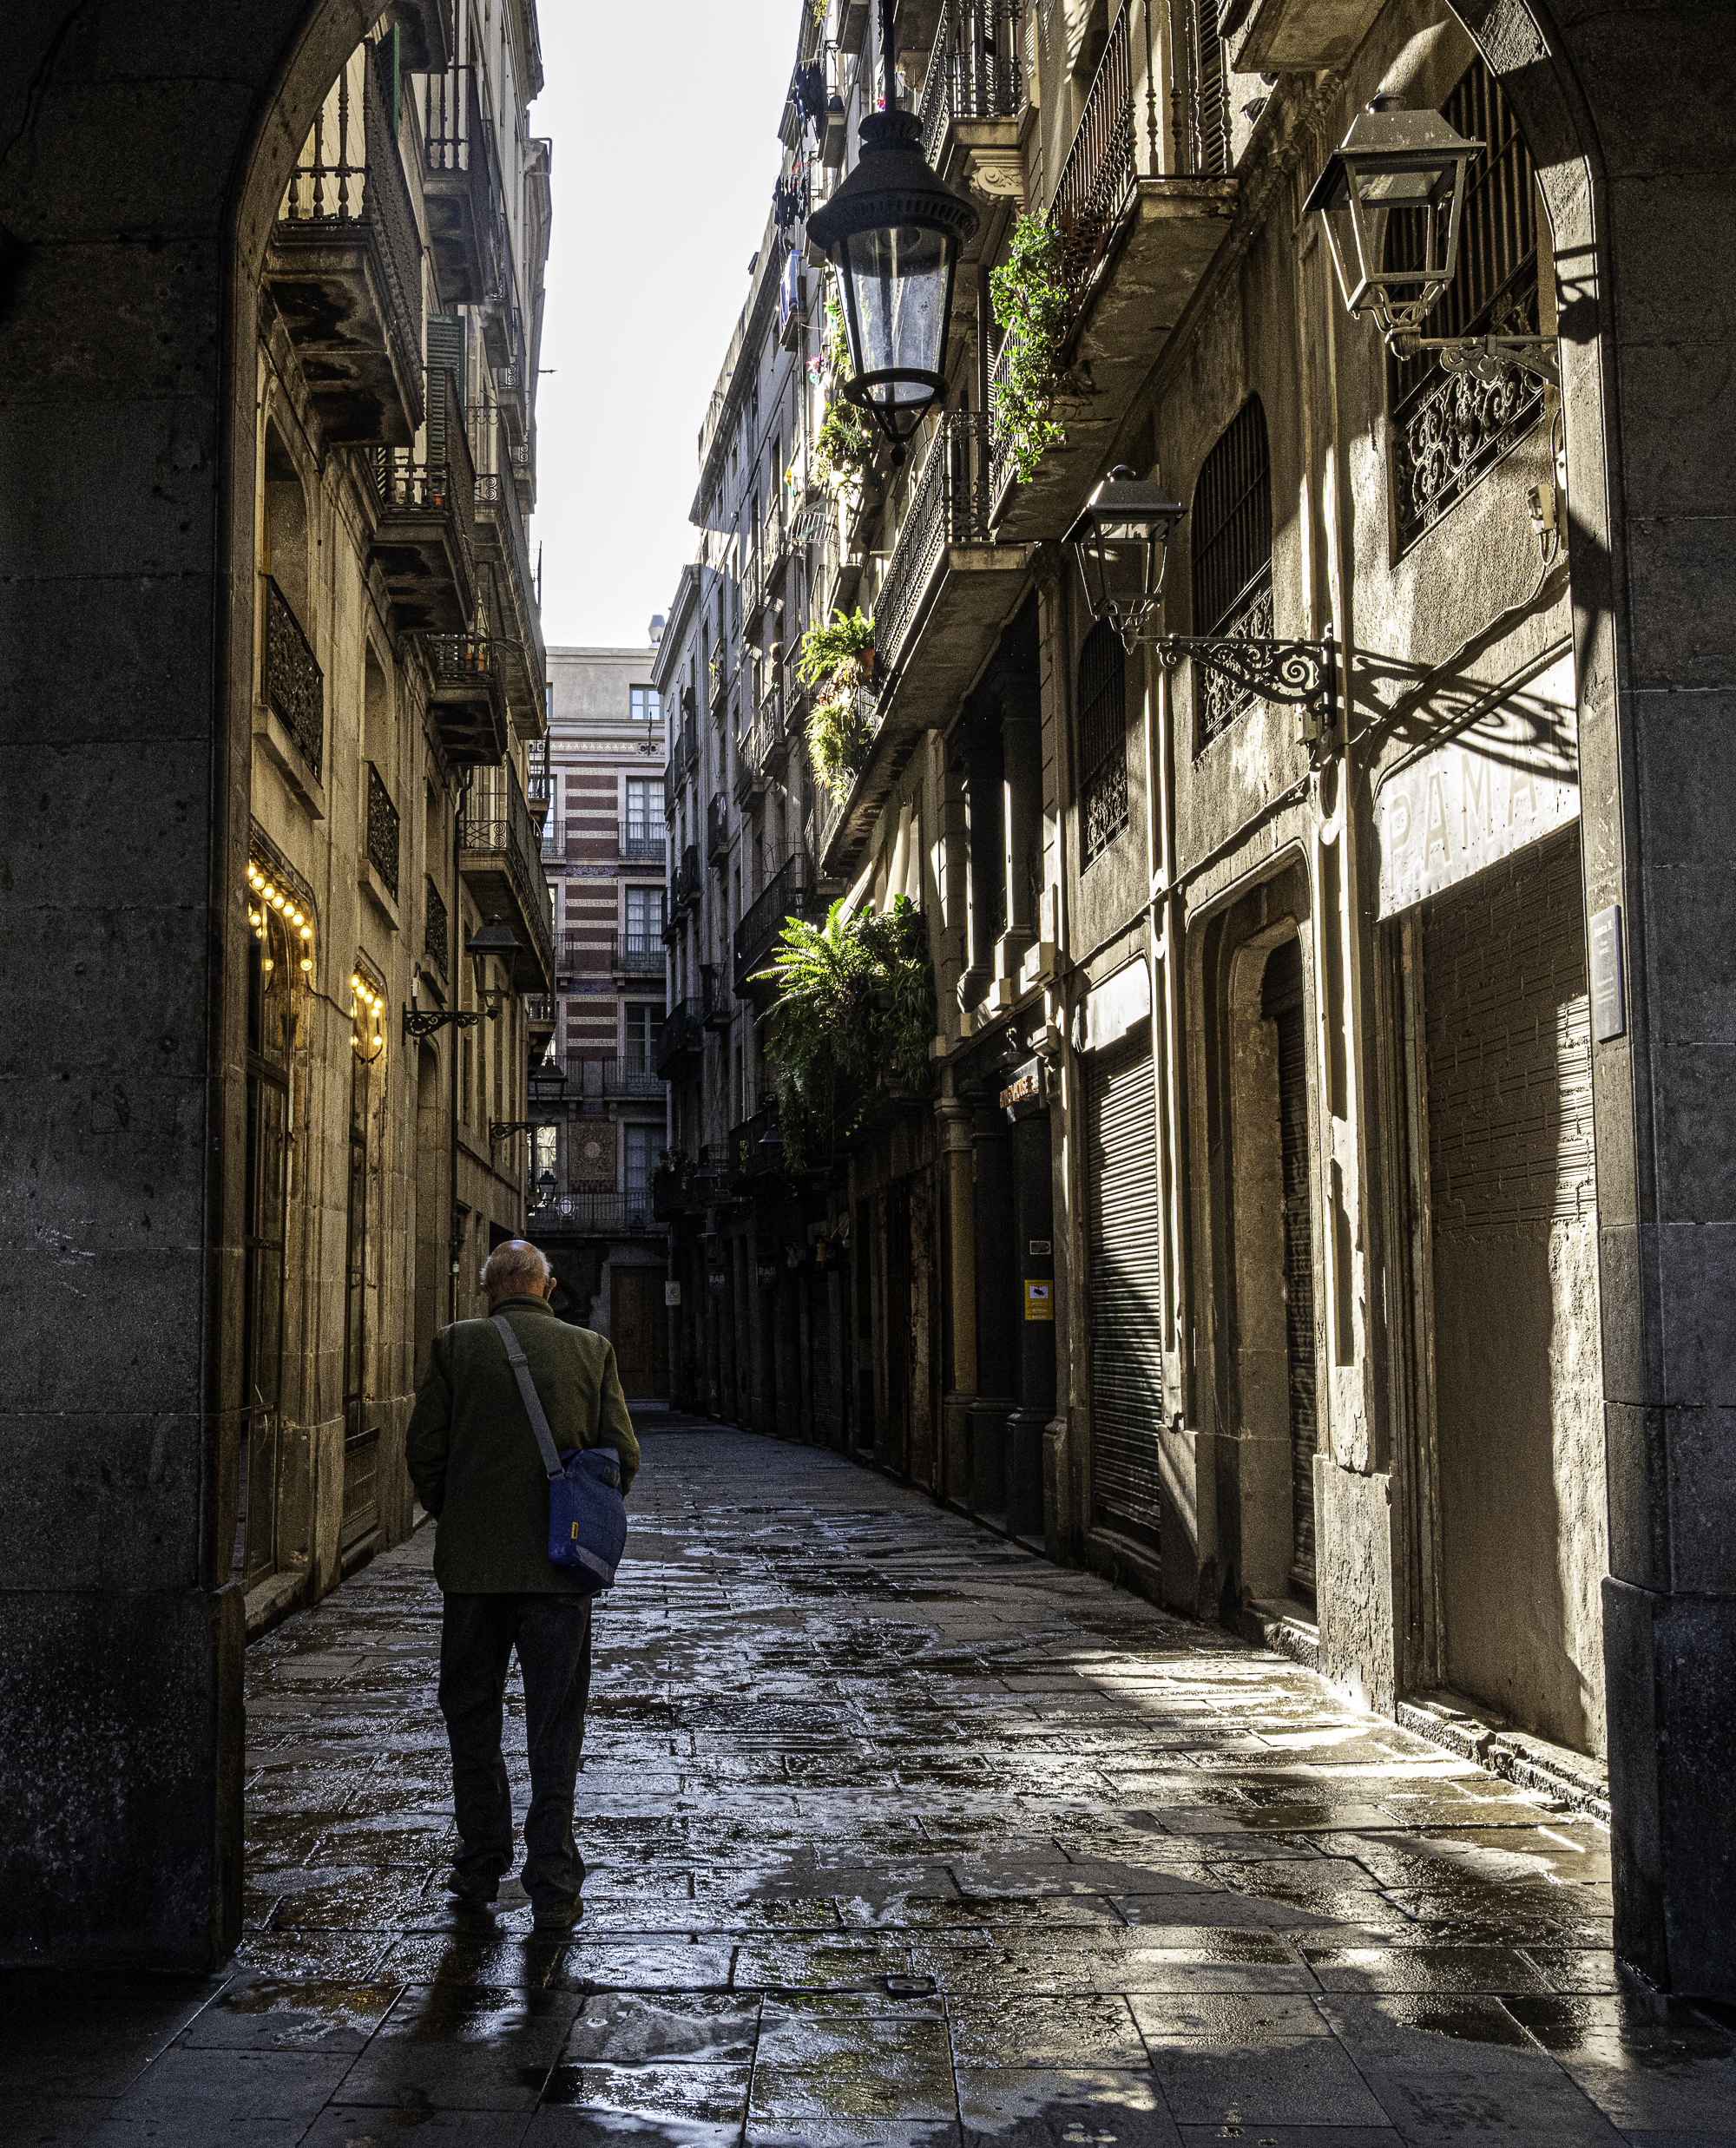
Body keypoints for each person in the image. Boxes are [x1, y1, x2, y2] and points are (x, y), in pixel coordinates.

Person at [405, 1238, 640, 1932]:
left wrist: (466, 1514)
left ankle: (480, 1864)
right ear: (548, 1286)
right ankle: (554, 1878)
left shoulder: (455, 1346)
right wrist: (575, 1516)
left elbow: (425, 1452)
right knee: (555, 1725)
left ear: (488, 1290)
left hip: (473, 1574)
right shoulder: (589, 1350)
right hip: (559, 1573)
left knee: (472, 1719)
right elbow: (621, 1455)